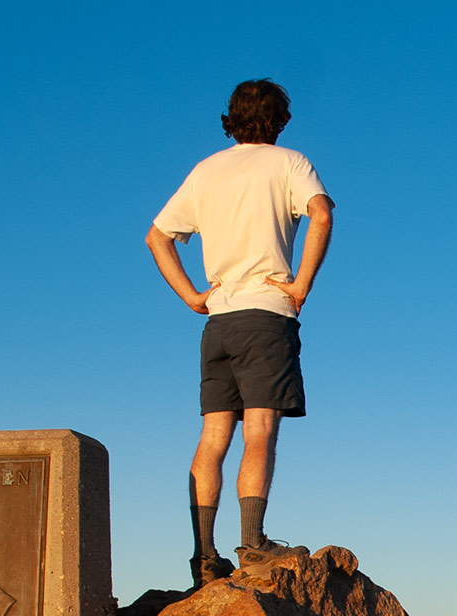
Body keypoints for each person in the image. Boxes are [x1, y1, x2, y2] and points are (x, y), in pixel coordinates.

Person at [144, 79, 336, 586]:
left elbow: (157, 237)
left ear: (232, 117)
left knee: (212, 436)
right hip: (266, 315)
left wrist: (193, 297)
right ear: (280, 119)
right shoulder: (290, 163)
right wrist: (300, 286)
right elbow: (321, 212)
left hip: (219, 321)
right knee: (260, 429)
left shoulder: (206, 170)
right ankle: (253, 545)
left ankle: (204, 557)